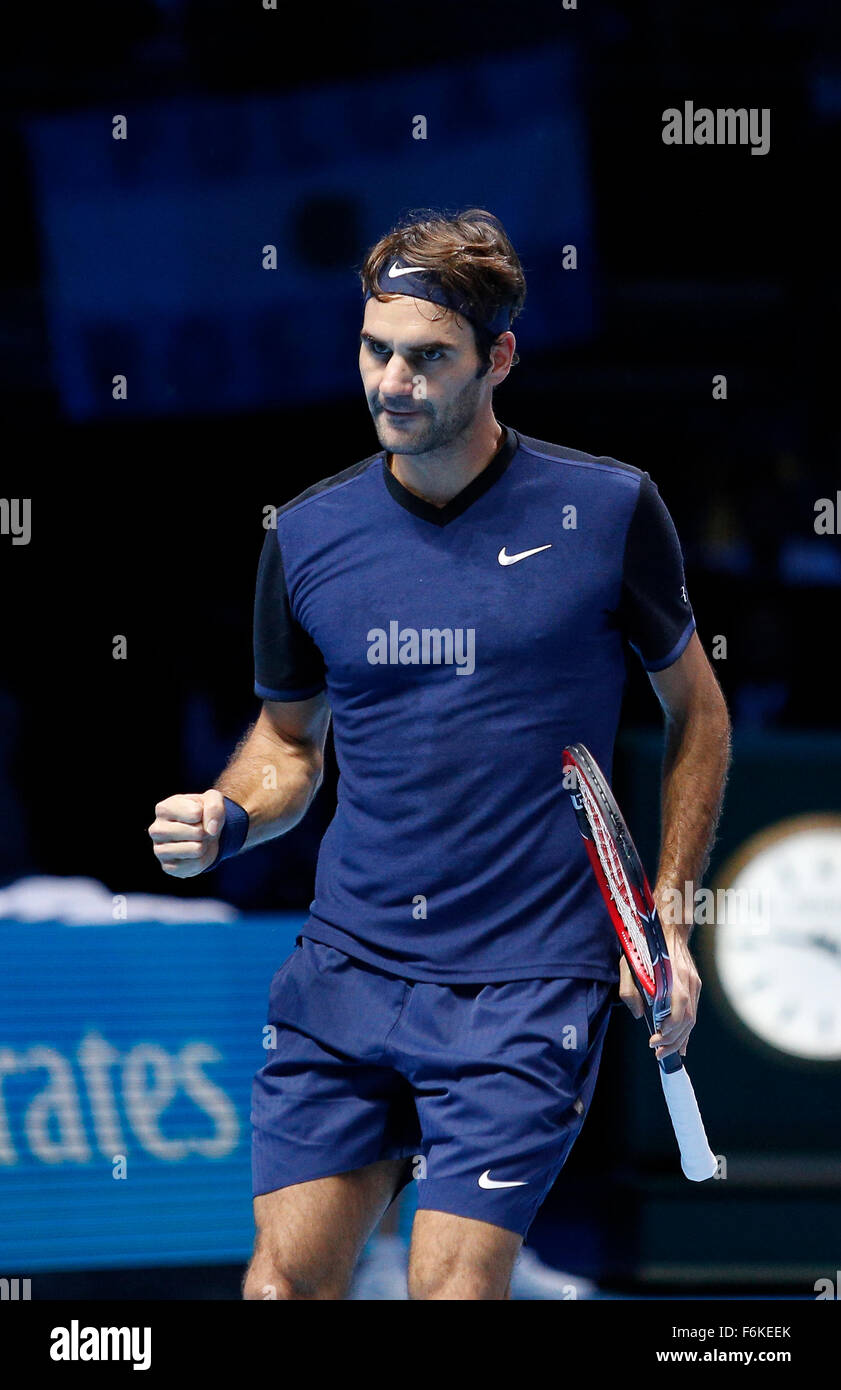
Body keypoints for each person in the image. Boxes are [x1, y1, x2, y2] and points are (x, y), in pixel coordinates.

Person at [149, 208, 731, 1300]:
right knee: (279, 1287)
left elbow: (698, 712)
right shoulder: (306, 536)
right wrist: (227, 813)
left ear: (497, 358)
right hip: (348, 971)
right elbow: (287, 743)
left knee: (450, 1293)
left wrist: (670, 913)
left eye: (428, 357)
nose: (392, 380)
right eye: (375, 350)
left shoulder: (606, 511)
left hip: (525, 984)